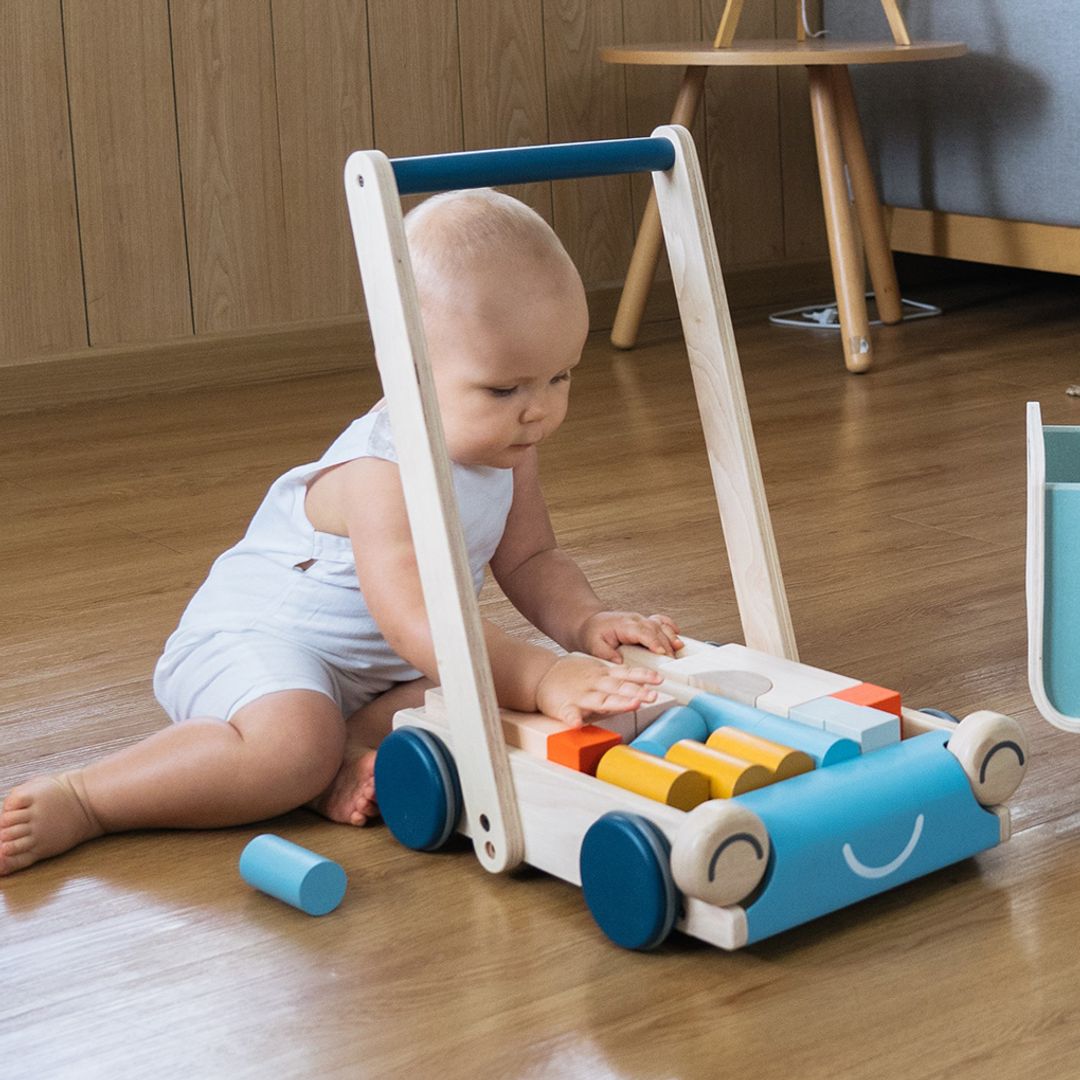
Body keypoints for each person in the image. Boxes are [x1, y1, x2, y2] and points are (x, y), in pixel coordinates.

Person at [0, 188, 682, 876]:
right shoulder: (382, 472)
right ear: (406, 369)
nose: (539, 412)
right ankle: (89, 799)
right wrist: (541, 674)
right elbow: (416, 618)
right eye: (504, 390)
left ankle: (336, 760)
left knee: (467, 705)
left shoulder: (507, 445)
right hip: (255, 644)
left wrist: (584, 621)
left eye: (560, 377)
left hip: (377, 673)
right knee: (297, 744)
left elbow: (532, 556)